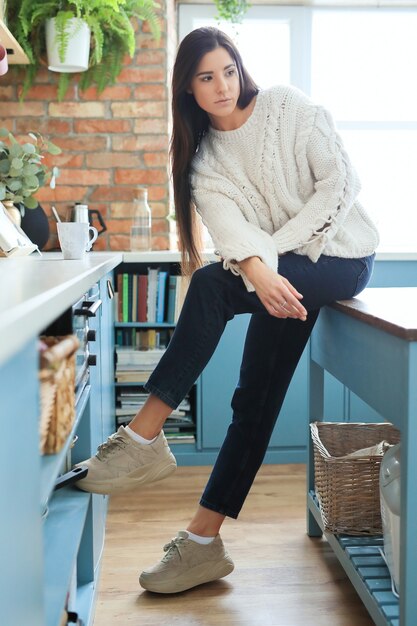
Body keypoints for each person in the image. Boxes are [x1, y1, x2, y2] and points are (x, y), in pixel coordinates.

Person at [75, 26, 379, 594]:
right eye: (206, 77)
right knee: (253, 401)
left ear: (241, 69)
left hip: (341, 256)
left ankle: (142, 436)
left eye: (229, 71)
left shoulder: (287, 106)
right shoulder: (204, 166)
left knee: (214, 283)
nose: (222, 86)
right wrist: (262, 269)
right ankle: (202, 545)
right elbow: (235, 233)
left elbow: (340, 185)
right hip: (275, 275)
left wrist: (268, 261)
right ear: (187, 88)